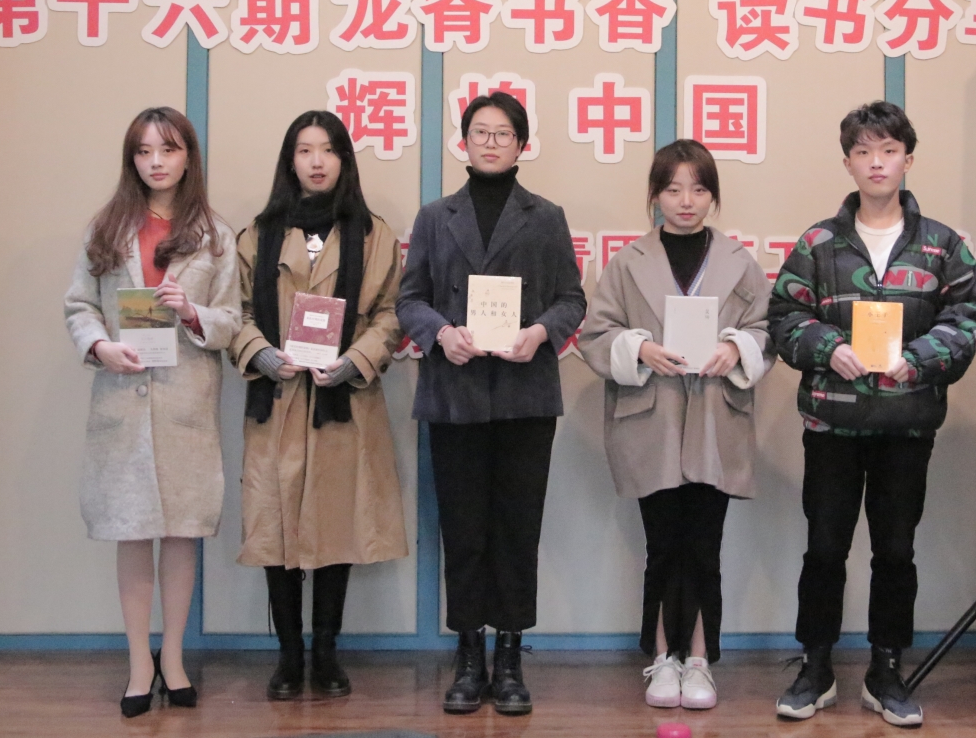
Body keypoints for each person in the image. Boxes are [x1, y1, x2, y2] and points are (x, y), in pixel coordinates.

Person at [768, 100, 976, 727]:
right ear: (848, 163)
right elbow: (784, 316)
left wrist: (918, 359)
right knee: (823, 548)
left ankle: (887, 669)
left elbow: (968, 319)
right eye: (863, 152)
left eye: (888, 150)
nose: (877, 163)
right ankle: (815, 665)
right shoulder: (819, 242)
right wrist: (827, 348)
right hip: (831, 425)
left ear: (908, 159)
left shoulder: (942, 245)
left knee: (896, 551)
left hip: (906, 425)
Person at [397, 91, 586, 716]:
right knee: (463, 529)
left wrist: (541, 333)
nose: (491, 142)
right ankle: (468, 655)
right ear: (464, 140)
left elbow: (572, 299)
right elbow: (409, 299)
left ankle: (509, 656)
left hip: (524, 396)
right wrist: (440, 333)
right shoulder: (435, 216)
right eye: (481, 131)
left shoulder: (547, 216)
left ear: (521, 144)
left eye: (504, 133)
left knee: (516, 528)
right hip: (454, 396)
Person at [582, 139, 773, 710]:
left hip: (716, 418)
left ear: (713, 196)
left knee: (705, 546)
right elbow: (595, 334)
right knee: (662, 544)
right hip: (653, 419)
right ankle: (662, 657)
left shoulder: (739, 262)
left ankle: (700, 660)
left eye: (699, 188)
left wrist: (735, 348)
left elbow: (767, 330)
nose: (686, 201)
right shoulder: (627, 263)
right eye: (673, 189)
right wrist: (640, 349)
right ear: (656, 195)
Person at [64, 106, 240, 718]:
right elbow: (80, 306)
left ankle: (175, 657)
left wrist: (191, 311)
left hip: (185, 399)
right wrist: (100, 346)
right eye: (143, 151)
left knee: (182, 530)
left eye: (167, 149)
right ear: (131, 159)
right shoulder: (107, 227)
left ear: (188, 156)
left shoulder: (215, 234)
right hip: (123, 395)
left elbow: (232, 321)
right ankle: (140, 661)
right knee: (132, 529)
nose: (156, 162)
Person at [229, 110, 408, 701]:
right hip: (278, 399)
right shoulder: (258, 235)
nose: (316, 161)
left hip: (343, 402)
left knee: (337, 525)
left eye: (327, 149)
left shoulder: (373, 234)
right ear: (290, 161)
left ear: (343, 160)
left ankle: (326, 653)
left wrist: (356, 359)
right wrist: (259, 353)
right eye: (304, 150)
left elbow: (392, 311)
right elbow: (235, 312)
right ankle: (288, 655)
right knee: (276, 529)